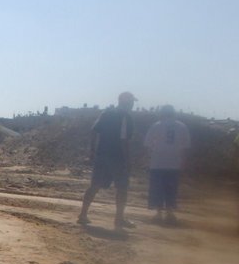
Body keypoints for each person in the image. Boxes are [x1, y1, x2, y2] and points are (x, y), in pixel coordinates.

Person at [78, 91, 136, 230]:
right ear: (127, 102)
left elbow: (94, 131)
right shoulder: (126, 117)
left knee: (95, 185)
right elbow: (124, 140)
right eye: (132, 102)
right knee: (122, 188)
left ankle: (83, 214)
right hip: (117, 157)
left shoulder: (106, 113)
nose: (133, 105)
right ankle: (119, 219)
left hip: (102, 155)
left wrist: (92, 151)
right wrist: (128, 160)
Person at [143, 105, 190, 225]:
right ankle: (169, 212)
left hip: (157, 162)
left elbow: (147, 144)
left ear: (162, 113)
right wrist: (183, 162)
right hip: (174, 162)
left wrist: (148, 158)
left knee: (158, 188)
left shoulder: (156, 125)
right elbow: (185, 147)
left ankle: (158, 213)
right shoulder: (182, 126)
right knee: (171, 188)